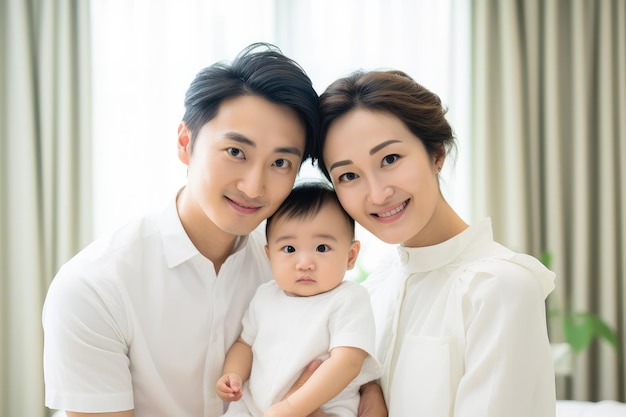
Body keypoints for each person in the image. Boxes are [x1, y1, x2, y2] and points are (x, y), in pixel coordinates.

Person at [42, 43, 321, 417]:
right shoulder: (95, 286)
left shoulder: (294, 270)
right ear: (185, 143)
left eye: (281, 162)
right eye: (236, 152)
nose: (254, 188)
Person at [317, 69, 557, 416]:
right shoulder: (369, 292)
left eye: (390, 159)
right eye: (349, 176)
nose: (377, 194)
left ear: (436, 154)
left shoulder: (499, 287)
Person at [216, 182, 381, 417]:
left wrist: (293, 408)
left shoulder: (348, 298)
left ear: (351, 256)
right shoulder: (265, 296)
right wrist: (232, 375)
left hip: (324, 408)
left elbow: (347, 363)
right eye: (290, 249)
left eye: (322, 247)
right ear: (270, 256)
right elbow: (245, 345)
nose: (304, 263)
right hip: (252, 407)